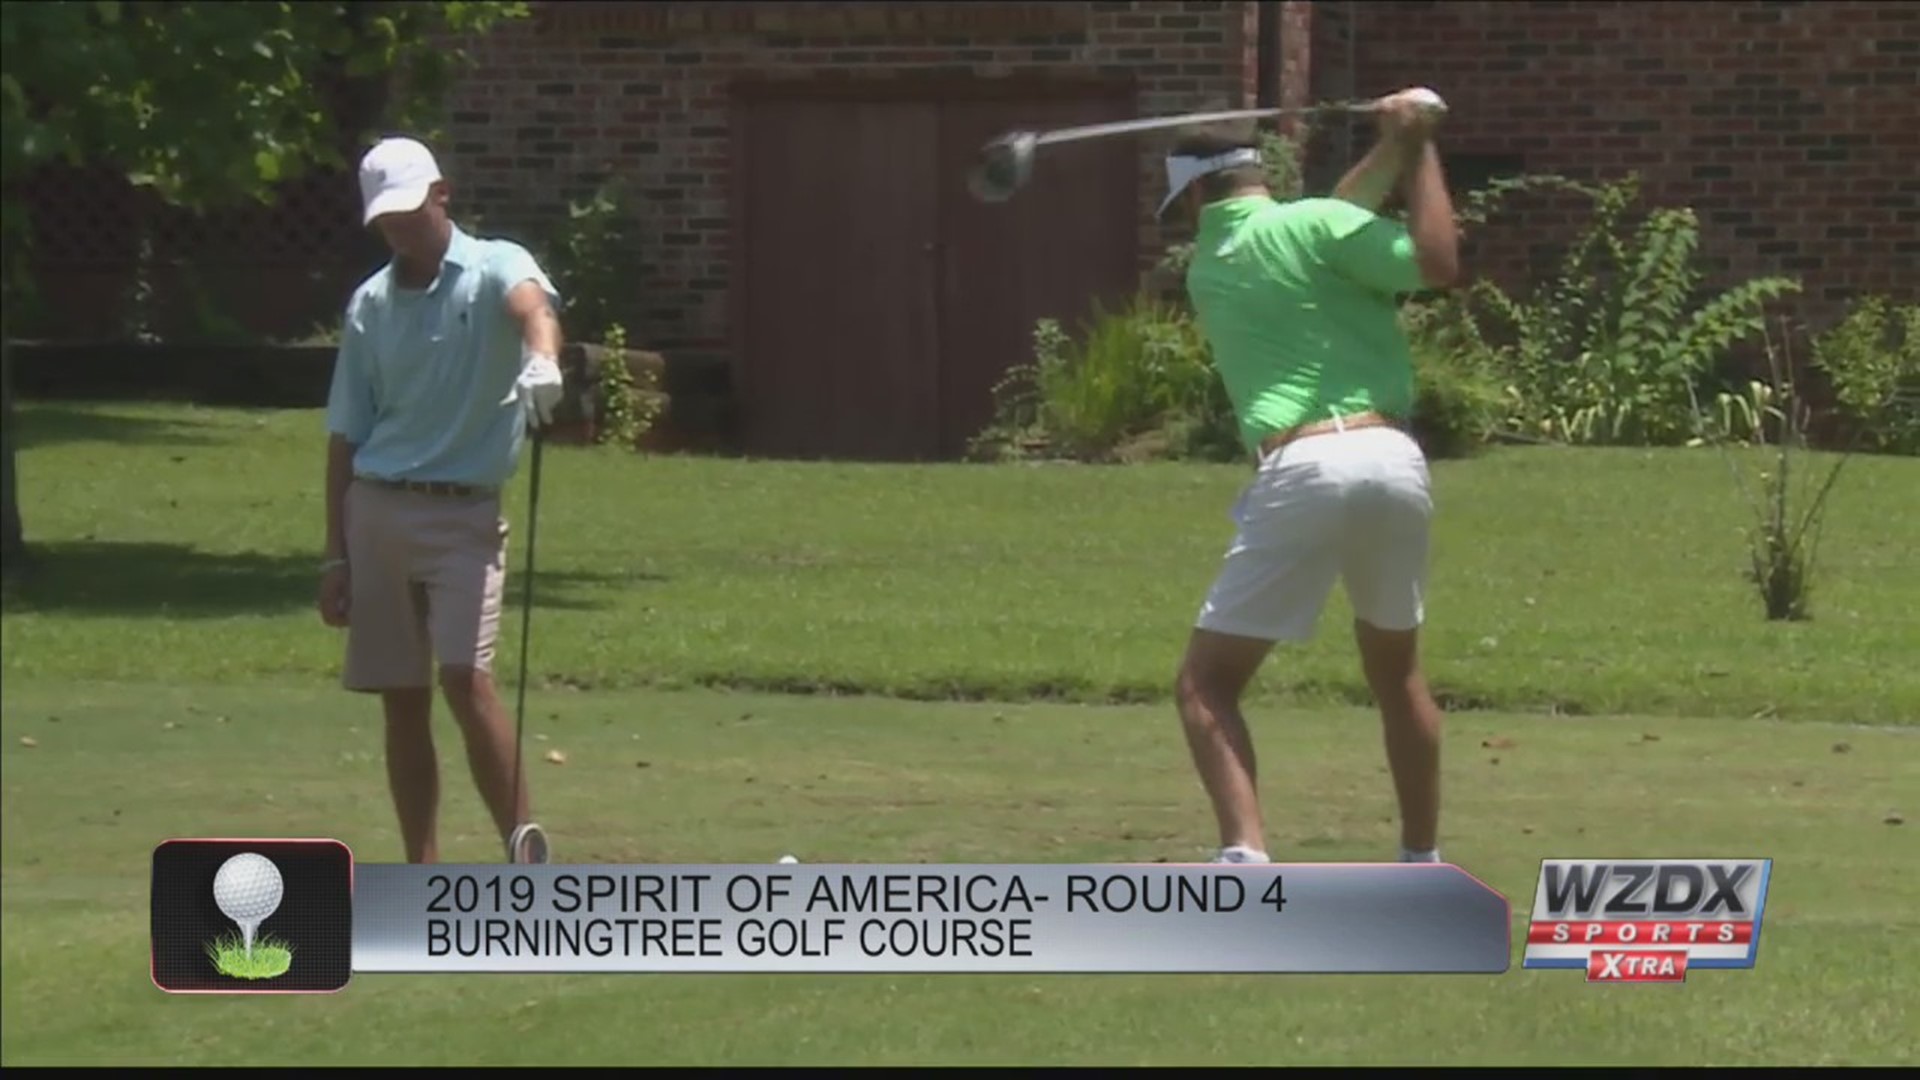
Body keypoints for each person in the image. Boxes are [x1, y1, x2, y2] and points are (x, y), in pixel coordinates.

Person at [1162, 89, 1462, 866]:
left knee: (1206, 685)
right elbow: (1425, 256)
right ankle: (1420, 861)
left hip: (1302, 466)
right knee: (1397, 674)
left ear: (1196, 191)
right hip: (1394, 460)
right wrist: (1418, 146)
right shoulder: (1316, 228)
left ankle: (1245, 856)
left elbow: (1369, 230)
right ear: (1261, 169)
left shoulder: (1211, 262)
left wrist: (1402, 147)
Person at [317, 135, 567, 865]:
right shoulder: (369, 304)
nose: (398, 228)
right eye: (385, 219)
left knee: (466, 678)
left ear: (442, 195)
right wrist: (333, 555)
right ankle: (421, 869)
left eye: (408, 211)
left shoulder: (495, 264)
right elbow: (344, 437)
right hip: (380, 509)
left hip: (464, 513)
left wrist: (542, 356)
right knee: (402, 694)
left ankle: (521, 846)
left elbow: (532, 307)